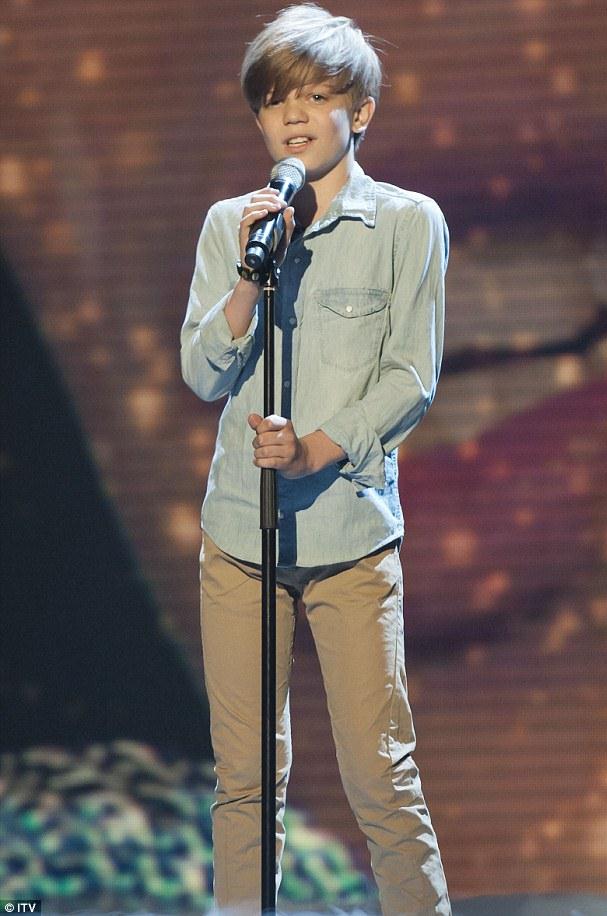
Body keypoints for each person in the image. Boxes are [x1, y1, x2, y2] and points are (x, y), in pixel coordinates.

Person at [181, 4, 451, 914]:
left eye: (315, 95)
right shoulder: (233, 224)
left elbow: (410, 377)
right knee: (245, 780)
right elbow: (202, 372)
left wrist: (311, 453)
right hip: (239, 541)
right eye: (274, 100)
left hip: (350, 540)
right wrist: (249, 277)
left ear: (360, 110)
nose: (292, 115)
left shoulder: (408, 223)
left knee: (381, 776)